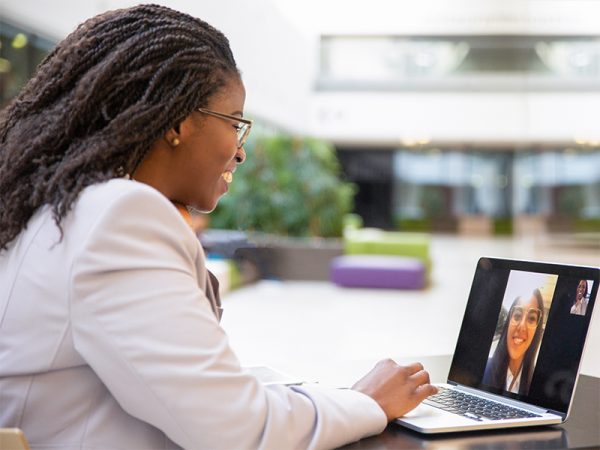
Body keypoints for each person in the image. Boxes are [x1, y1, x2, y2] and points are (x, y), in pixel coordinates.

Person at [0, 5, 436, 449]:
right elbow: (237, 430)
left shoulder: (53, 209)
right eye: (235, 124)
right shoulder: (118, 216)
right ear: (177, 123)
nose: (240, 152)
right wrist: (365, 402)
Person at [482, 289, 545, 395]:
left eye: (531, 318)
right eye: (517, 316)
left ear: (537, 330)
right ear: (508, 323)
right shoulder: (484, 369)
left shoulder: (539, 384)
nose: (522, 327)